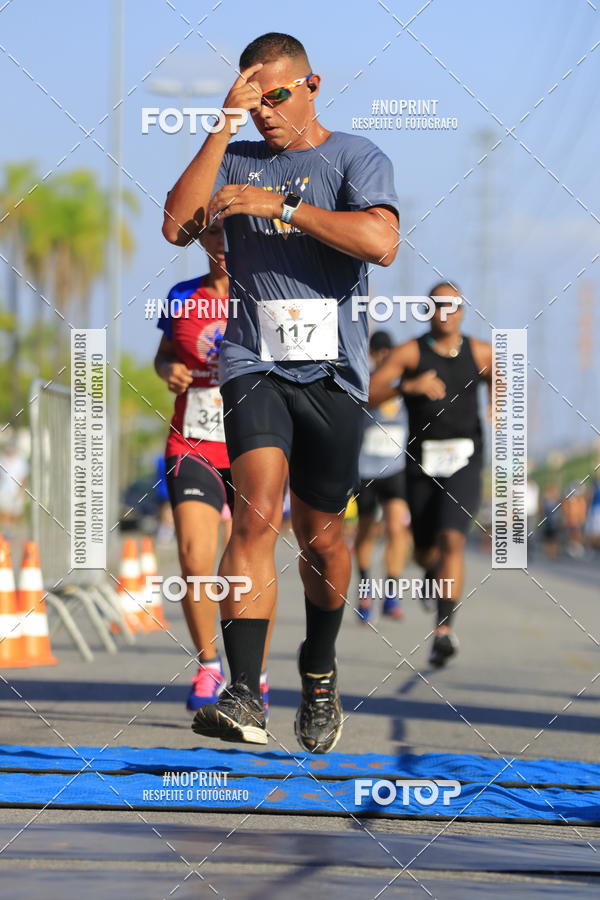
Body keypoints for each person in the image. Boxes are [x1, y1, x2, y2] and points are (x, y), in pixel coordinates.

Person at [163, 32, 399, 752]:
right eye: (250, 97)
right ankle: (243, 694)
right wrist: (220, 126)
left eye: (275, 96)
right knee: (256, 512)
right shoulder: (232, 155)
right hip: (252, 362)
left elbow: (381, 242)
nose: (264, 110)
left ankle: (319, 671)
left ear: (311, 85)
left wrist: (284, 206)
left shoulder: (357, 156)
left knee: (322, 537)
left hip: (332, 372)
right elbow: (176, 225)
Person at [154, 220, 269, 713]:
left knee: (247, 563)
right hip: (193, 441)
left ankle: (253, 674)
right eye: (214, 233)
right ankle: (208, 666)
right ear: (202, 240)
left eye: (231, 231)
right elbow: (163, 355)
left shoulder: (263, 292)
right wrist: (168, 370)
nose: (222, 241)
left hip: (255, 444)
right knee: (195, 558)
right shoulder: (181, 295)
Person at [369, 283, 491, 667]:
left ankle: (443, 630)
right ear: (427, 310)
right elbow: (368, 392)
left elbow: (504, 382)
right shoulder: (410, 352)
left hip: (465, 460)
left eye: (452, 305)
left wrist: (500, 408)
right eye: (437, 305)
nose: (445, 311)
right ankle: (431, 572)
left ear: (463, 310)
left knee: (452, 538)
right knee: (424, 550)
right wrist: (408, 386)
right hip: (421, 463)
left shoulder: (481, 352)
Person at [355, 331, 410, 623]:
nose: (383, 358)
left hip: (395, 469)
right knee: (365, 530)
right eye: (378, 353)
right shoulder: (364, 383)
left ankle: (391, 592)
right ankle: (365, 590)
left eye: (388, 353)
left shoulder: (405, 384)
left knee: (396, 529)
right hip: (365, 470)